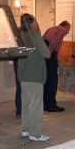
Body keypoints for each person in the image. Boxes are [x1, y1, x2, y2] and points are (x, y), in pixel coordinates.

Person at [18, 13, 51, 142]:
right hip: (34, 75)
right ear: (32, 24)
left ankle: (26, 129)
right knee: (35, 106)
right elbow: (47, 54)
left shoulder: (20, 36)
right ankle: (35, 133)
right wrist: (38, 33)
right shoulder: (36, 36)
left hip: (23, 74)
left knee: (26, 104)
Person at [43, 21, 71, 112]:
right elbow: (54, 42)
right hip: (50, 57)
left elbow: (44, 39)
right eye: (69, 29)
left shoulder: (51, 28)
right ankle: (51, 105)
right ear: (65, 26)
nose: (68, 32)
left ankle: (45, 104)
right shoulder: (62, 30)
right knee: (53, 81)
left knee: (47, 81)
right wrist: (51, 53)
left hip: (45, 57)